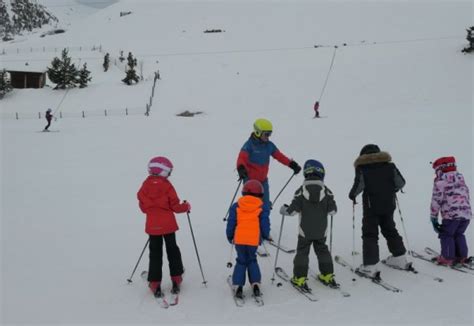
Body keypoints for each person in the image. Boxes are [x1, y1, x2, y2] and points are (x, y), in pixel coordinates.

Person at [348, 144, 409, 276]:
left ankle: (370, 265)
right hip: (388, 205)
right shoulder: (390, 166)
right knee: (390, 229)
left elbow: (359, 185)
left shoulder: (362, 168)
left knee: (370, 233)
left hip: (371, 208)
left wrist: (352, 195)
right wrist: (392, 189)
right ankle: (399, 257)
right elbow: (401, 183)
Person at [279, 159, 338, 291]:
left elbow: (292, 211)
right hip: (321, 231)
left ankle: (299, 278)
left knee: (302, 253)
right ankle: (327, 275)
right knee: (323, 250)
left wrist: (284, 210)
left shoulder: (301, 191)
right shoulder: (327, 192)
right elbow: (333, 211)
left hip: (304, 232)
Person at [137, 156, 191, 298]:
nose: (169, 175)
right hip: (168, 226)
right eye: (168, 172)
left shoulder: (144, 186)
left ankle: (155, 283)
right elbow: (175, 206)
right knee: (172, 250)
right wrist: (186, 206)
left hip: (153, 226)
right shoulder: (167, 186)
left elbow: (143, 207)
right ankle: (176, 277)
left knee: (155, 253)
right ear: (161, 171)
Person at [236, 118, 301, 209]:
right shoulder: (249, 145)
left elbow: (279, 156)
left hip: (263, 181)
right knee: (250, 206)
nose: (268, 136)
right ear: (258, 132)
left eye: (270, 134)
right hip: (250, 181)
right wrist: (241, 168)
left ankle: (263, 222)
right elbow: (241, 158)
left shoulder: (269, 145)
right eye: (266, 134)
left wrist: (291, 164)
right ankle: (248, 222)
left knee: (265, 205)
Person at [226, 179, 271, 299]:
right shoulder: (262, 206)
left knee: (241, 260)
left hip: (240, 240)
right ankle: (255, 283)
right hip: (253, 240)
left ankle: (239, 286)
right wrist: (265, 235)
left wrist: (230, 235)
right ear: (260, 194)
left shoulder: (237, 206)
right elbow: (264, 223)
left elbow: (231, 222)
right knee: (252, 260)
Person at [430, 156, 472, 265]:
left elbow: (436, 199)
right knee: (459, 234)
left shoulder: (441, 181)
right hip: (466, 215)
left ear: (440, 169)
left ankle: (447, 257)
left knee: (446, 235)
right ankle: (461, 256)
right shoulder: (460, 178)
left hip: (451, 216)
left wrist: (433, 217)